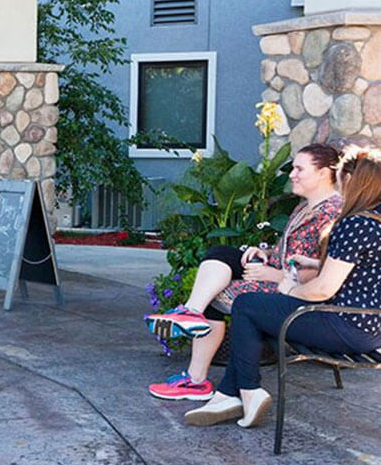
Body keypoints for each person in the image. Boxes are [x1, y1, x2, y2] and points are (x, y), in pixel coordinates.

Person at [185, 145, 381, 427]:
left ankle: (246, 391)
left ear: (352, 181)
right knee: (257, 311)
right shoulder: (374, 221)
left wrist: (290, 290)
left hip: (345, 325)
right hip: (369, 327)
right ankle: (230, 394)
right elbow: (364, 272)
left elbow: (323, 290)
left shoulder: (355, 224)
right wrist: (314, 264)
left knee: (247, 305)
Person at [146, 143, 342, 401]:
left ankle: (195, 380)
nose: (292, 174)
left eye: (299, 169)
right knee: (220, 253)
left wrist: (276, 275)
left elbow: (324, 270)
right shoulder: (304, 207)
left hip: (296, 291)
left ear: (323, 173)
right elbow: (288, 250)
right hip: (278, 274)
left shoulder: (332, 213)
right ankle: (190, 312)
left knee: (218, 297)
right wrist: (265, 253)